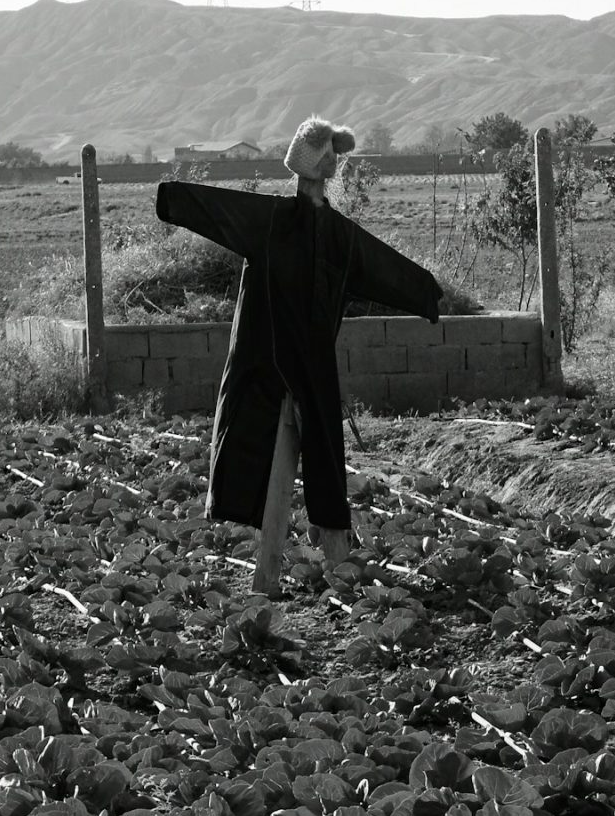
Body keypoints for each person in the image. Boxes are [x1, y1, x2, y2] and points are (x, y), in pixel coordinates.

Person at [155, 116, 444, 590]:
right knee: (269, 469)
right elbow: (216, 208)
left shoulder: (338, 236)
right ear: (314, 165)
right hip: (269, 368)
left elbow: (384, 268)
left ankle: (342, 577)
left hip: (314, 373)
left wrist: (426, 294)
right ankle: (278, 577)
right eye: (326, 156)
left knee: (327, 469)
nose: (330, 166)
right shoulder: (271, 222)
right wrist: (173, 200)